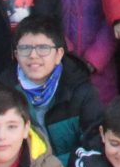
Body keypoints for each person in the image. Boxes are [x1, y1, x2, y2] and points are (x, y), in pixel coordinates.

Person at [7, 14, 106, 158]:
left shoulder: (81, 92)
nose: (33, 55)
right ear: (16, 54)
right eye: (25, 48)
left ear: (59, 54)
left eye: (43, 48)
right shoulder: (5, 93)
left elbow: (96, 146)